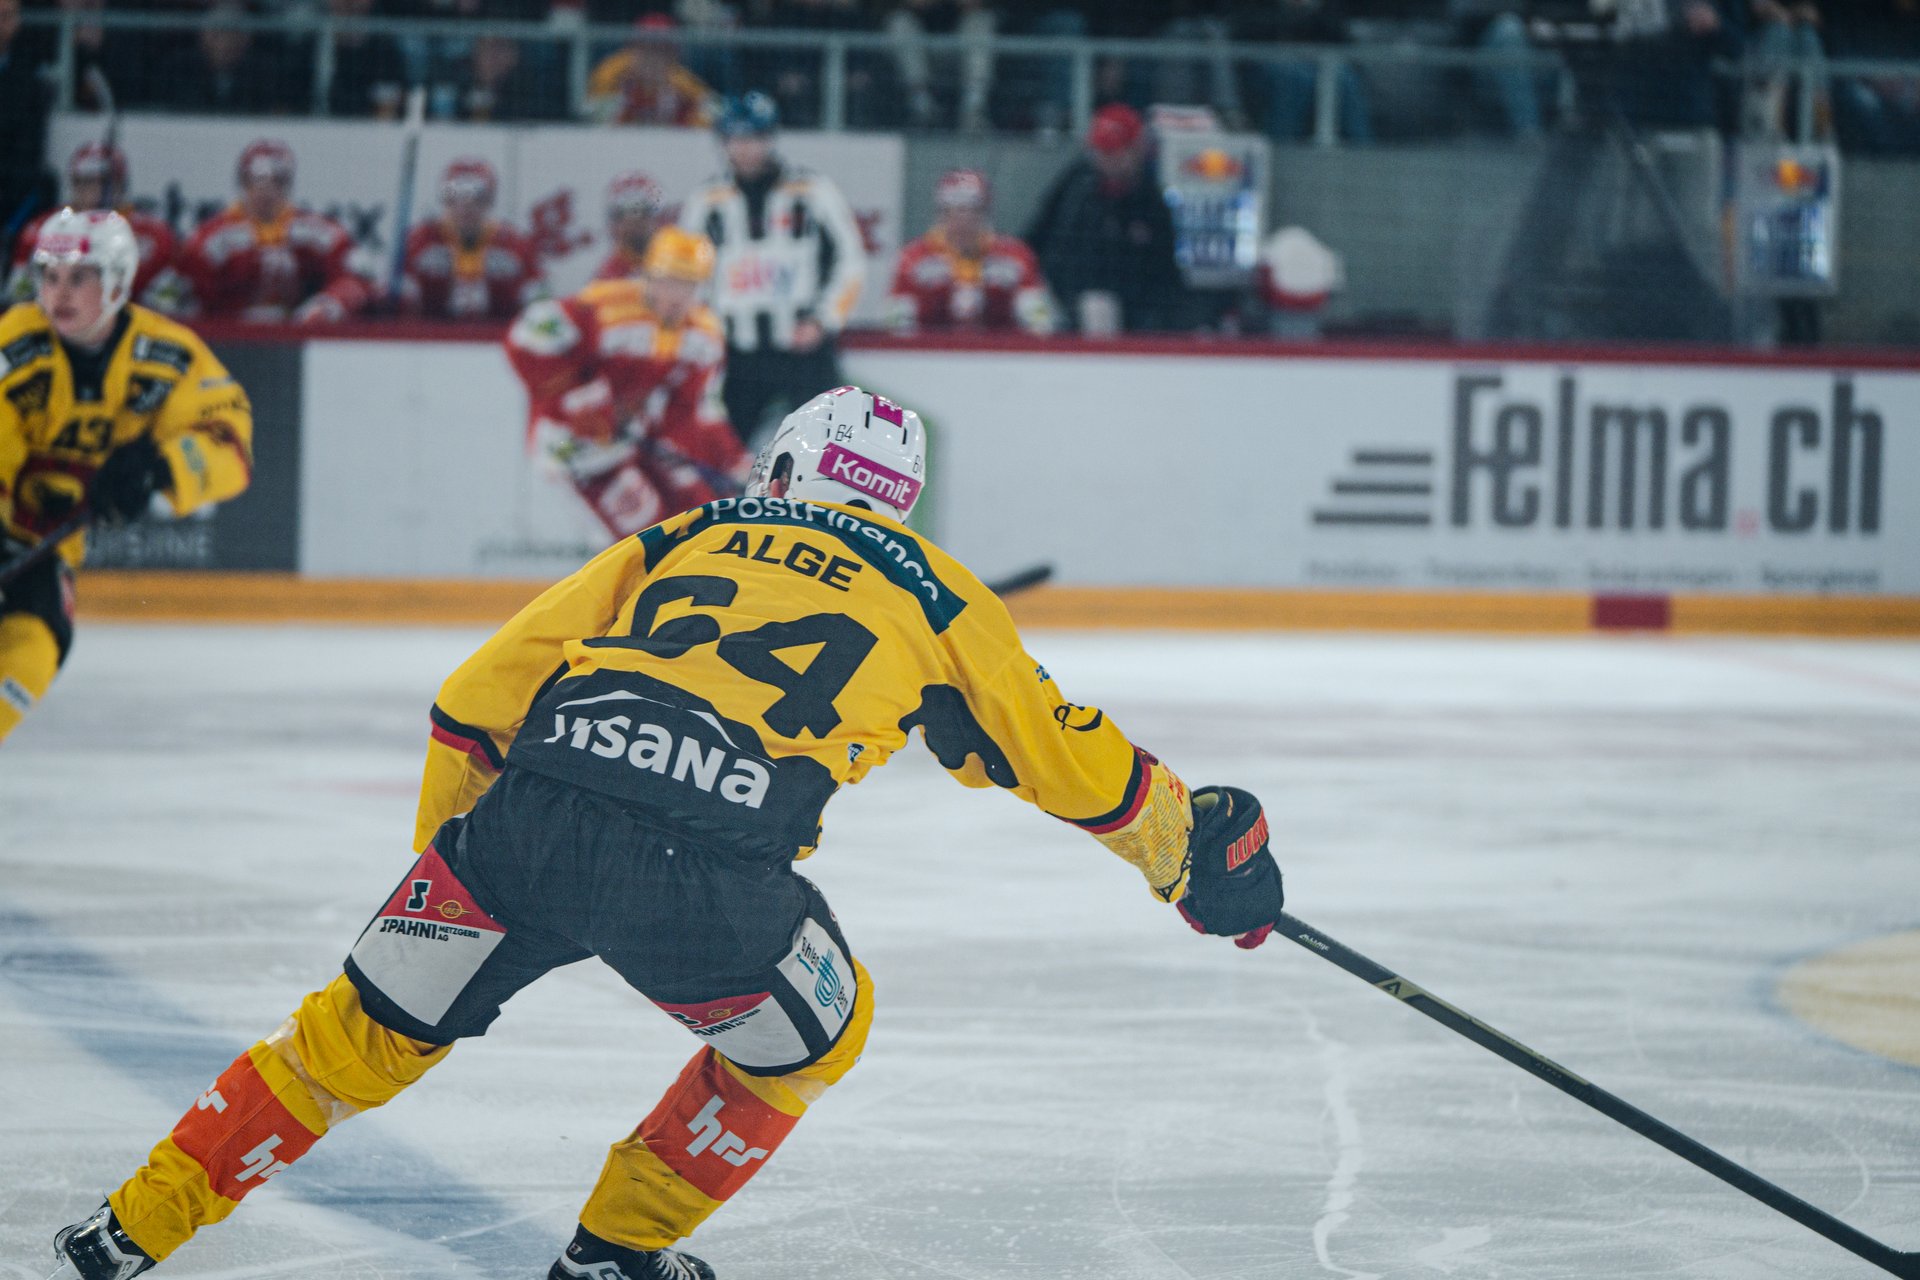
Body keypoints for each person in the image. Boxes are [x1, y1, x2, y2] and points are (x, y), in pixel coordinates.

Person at [42, 383, 1285, 1280]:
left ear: (784, 471)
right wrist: (1192, 852)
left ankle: (127, 1230)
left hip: (525, 823)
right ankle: (615, 1251)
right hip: (706, 876)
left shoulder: (686, 533)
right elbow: (1067, 759)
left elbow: (476, 698)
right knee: (821, 1029)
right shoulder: (936, 588)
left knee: (343, 1041)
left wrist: (449, 864)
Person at [0, 210, 254, 745]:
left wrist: (162, 467)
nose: (59, 293)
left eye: (79, 277)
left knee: (37, 649)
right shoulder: (13, 345)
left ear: (117, 281)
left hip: (42, 553)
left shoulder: (167, 354)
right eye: (50, 276)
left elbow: (229, 442)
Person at [506, 226, 744, 541]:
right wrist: (579, 399)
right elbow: (527, 338)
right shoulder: (604, 307)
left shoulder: (704, 334)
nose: (677, 295)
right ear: (648, 276)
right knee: (648, 534)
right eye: (668, 281)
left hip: (632, 442)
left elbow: (690, 412)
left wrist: (731, 460)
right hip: (574, 448)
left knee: (701, 514)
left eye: (689, 284)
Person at [680, 92, 865, 448]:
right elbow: (688, 274)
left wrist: (823, 320)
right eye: (736, 138)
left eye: (755, 137)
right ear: (723, 142)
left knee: (828, 451)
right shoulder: (707, 202)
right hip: (733, 354)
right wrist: (704, 330)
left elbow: (850, 259)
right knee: (718, 454)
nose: (746, 149)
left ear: (770, 138)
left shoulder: (811, 192)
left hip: (803, 350)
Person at [163, 139, 374, 324]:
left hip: (296, 337)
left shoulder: (318, 232)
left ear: (288, 185)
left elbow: (359, 279)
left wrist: (327, 306)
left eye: (277, 181)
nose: (266, 190)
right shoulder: (209, 239)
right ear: (243, 183)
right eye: (257, 181)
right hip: (228, 340)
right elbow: (174, 297)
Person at [1024, 103, 1190, 334]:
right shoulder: (1076, 184)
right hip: (1065, 304)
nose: (1102, 159)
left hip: (1131, 321)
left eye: (1112, 151)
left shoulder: (1151, 203)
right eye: (1099, 150)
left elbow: (1166, 277)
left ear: (1136, 150)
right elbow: (1036, 238)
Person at [887, 168, 1054, 335]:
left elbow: (1038, 320)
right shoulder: (913, 258)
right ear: (941, 214)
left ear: (986, 213)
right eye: (954, 210)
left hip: (998, 348)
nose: (964, 220)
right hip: (931, 348)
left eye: (973, 210)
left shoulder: (1015, 256)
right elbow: (897, 321)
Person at [9, 143, 175, 306]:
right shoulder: (44, 227)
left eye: (104, 182)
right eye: (85, 182)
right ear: (73, 183)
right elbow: (19, 295)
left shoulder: (153, 234)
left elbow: (168, 304)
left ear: (121, 184)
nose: (94, 191)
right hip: (56, 316)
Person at [400, 158, 545, 321]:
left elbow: (541, 298)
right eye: (457, 195)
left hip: (499, 332)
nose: (466, 205)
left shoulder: (515, 244)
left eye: (477, 196)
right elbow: (395, 299)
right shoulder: (420, 240)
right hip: (428, 333)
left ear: (490, 200)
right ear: (445, 200)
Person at [584, 14, 718, 126]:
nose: (652, 58)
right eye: (646, 48)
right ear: (634, 48)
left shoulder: (682, 83)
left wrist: (689, 114)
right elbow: (595, 119)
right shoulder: (612, 73)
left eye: (660, 50)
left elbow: (713, 111)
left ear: (672, 56)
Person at [594, 172, 668, 282]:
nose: (635, 227)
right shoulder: (610, 273)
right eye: (629, 222)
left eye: (642, 218)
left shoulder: (674, 259)